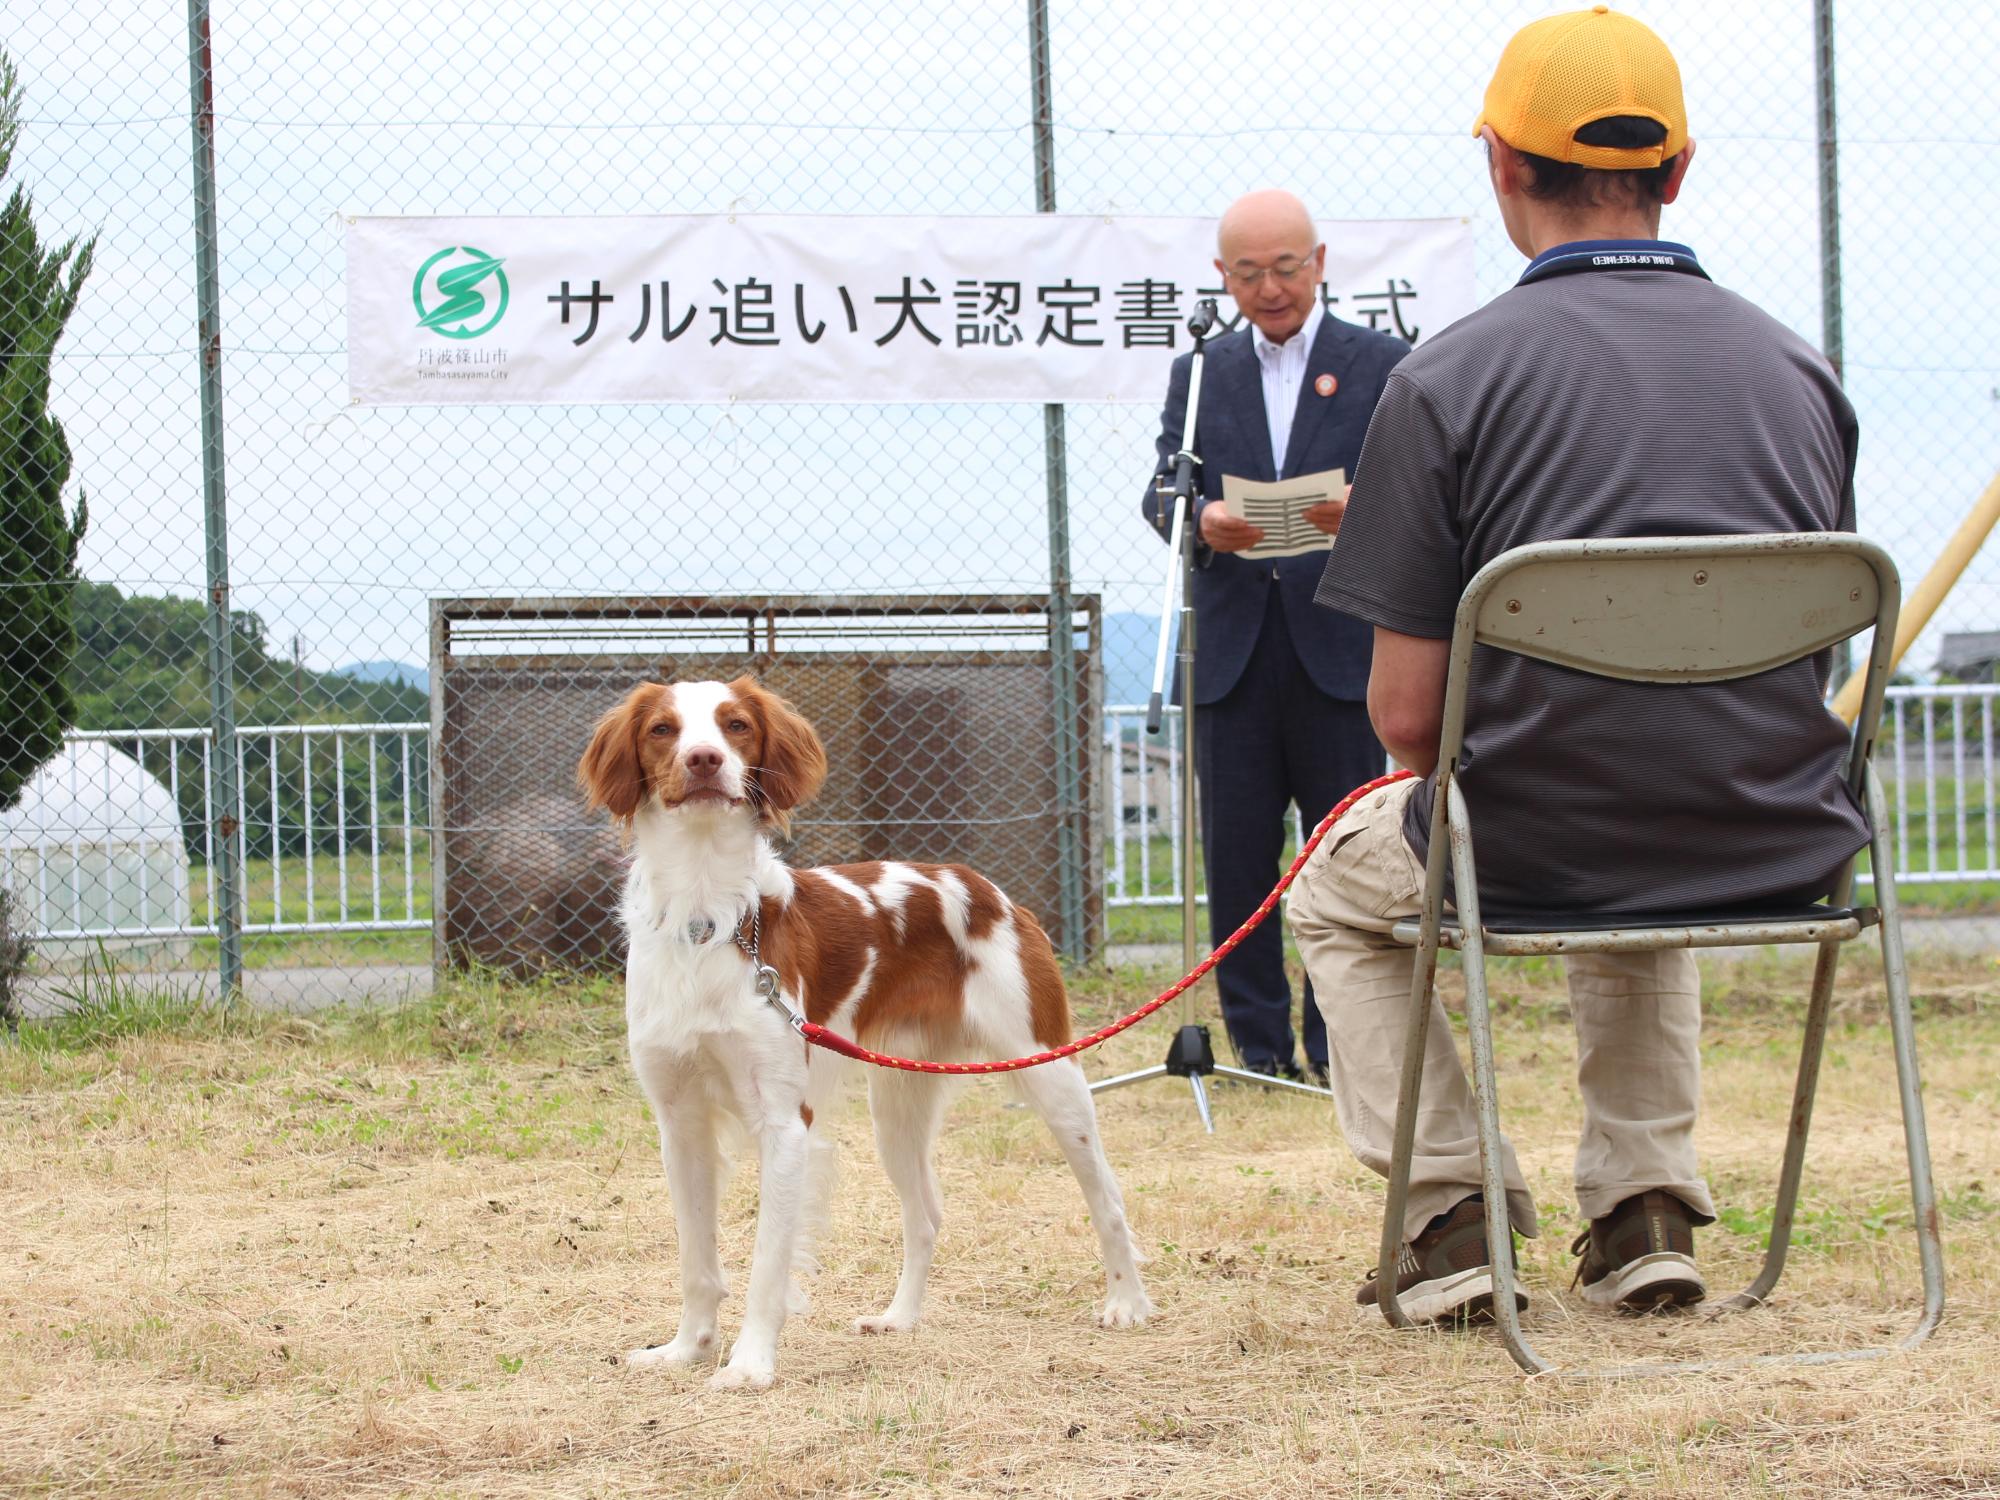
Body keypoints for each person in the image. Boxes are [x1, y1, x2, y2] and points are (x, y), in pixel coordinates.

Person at [1294, 6, 1869, 1323]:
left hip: (1535, 844)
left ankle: (1449, 1213)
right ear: (1677, 169)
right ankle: (1644, 1204)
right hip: (1769, 831)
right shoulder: (1803, 373)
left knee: (1334, 884)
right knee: (1652, 796)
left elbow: (1404, 718)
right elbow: (1801, 653)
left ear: (1501, 164)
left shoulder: (1447, 381)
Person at [1141, 189, 1410, 1083]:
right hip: (1234, 653)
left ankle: (1340, 1047)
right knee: (1240, 859)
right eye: (1249, 273)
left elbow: (1421, 491)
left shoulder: (1380, 363)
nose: (1270, 288)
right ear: (1223, 277)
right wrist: (1204, 518)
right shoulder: (1202, 372)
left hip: (1341, 649)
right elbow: (1163, 492)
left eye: (1286, 268)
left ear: (1321, 262)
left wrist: (1360, 512)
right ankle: (1260, 1048)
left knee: (1347, 851)